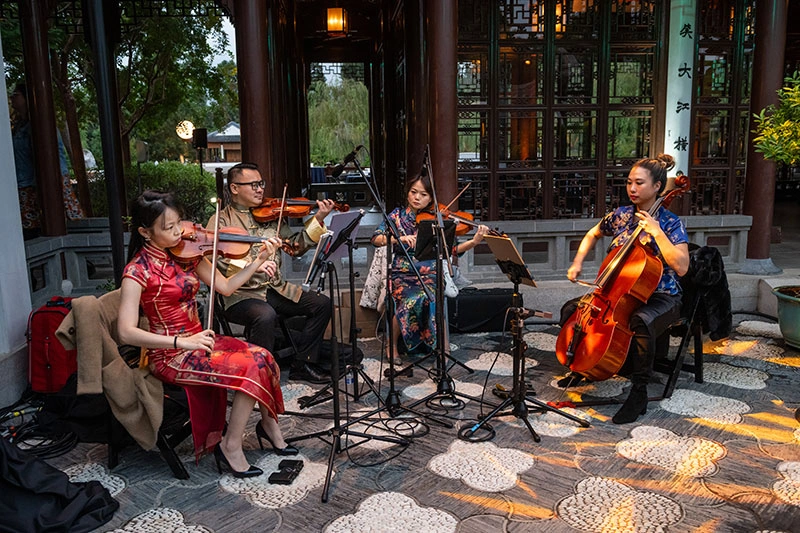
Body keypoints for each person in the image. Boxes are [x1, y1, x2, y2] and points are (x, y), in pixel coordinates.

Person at [118, 190, 297, 479]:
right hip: (171, 354)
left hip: (200, 342)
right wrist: (181, 342)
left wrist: (256, 260)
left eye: (179, 223)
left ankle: (269, 427)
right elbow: (125, 331)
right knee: (250, 367)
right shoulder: (137, 271)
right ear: (145, 232)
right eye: (168, 228)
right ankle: (231, 444)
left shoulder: (188, 254)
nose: (179, 232)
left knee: (263, 356)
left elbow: (224, 287)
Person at [564, 154, 689, 424]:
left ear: (657, 187)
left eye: (639, 183)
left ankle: (639, 393)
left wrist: (656, 232)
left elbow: (682, 267)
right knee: (572, 310)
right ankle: (582, 366)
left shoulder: (670, 223)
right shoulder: (621, 216)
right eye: (629, 182)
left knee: (641, 321)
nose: (632, 188)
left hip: (662, 295)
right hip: (620, 293)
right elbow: (592, 234)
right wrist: (577, 263)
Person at [207, 163, 335, 384]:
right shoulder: (221, 220)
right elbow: (214, 260)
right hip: (240, 294)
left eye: (261, 184)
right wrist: (252, 265)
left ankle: (302, 362)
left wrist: (319, 219)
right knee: (265, 315)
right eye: (253, 185)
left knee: (321, 304)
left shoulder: (272, 215)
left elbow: (294, 246)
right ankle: (259, 377)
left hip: (275, 288)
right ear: (235, 188)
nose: (260, 190)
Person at [371, 172, 489, 359]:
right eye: (413, 192)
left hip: (430, 272)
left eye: (423, 194)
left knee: (433, 297)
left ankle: (443, 347)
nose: (417, 197)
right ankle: (391, 345)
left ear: (431, 198)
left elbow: (452, 250)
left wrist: (474, 242)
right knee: (409, 300)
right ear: (407, 193)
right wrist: (398, 238)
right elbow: (376, 238)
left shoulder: (438, 220)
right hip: (403, 271)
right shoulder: (396, 216)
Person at [9, 83, 84, 239]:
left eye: (16, 94)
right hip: (26, 183)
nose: (12, 97)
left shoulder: (41, 125)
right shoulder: (19, 126)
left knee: (59, 223)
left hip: (45, 182)